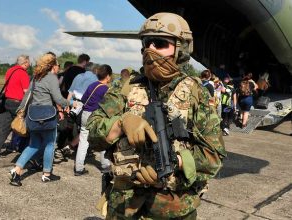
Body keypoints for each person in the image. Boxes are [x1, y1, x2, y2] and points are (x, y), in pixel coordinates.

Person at [87, 12, 226, 219]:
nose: (150, 49)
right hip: (124, 206)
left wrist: (176, 161)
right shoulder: (125, 86)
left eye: (159, 43)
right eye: (147, 42)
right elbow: (92, 133)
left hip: (174, 209)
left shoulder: (195, 92)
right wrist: (121, 123)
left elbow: (214, 156)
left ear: (180, 49)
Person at [9, 54, 69, 186]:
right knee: (49, 144)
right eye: (57, 65)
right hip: (47, 116)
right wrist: (70, 103)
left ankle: (17, 170)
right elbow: (58, 99)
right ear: (52, 65)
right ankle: (47, 174)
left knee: (33, 145)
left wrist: (20, 112)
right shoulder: (52, 78)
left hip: (33, 115)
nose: (58, 67)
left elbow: (27, 96)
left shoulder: (36, 77)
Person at [0, 55, 31, 161]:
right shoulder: (23, 73)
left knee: (5, 129)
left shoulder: (10, 70)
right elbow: (26, 92)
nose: (29, 64)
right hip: (18, 103)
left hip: (8, 101)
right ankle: (24, 150)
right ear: (25, 62)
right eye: (29, 62)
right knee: (25, 127)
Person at [74, 64, 112, 176]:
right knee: (102, 140)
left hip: (85, 114)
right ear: (108, 76)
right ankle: (105, 165)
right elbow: (108, 106)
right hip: (96, 117)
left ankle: (79, 168)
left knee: (83, 141)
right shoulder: (106, 89)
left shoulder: (92, 85)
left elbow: (84, 99)